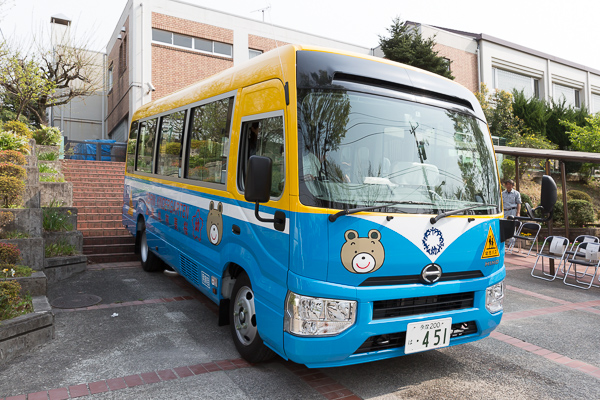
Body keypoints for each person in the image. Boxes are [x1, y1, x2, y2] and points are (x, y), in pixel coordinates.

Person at [502, 179, 521, 246]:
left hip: (512, 210)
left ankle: (511, 244)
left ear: (512, 185)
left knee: (512, 227)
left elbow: (519, 203)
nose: (508, 185)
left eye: (510, 184)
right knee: (503, 226)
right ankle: (503, 242)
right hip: (505, 211)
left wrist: (518, 213)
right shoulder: (502, 193)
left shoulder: (516, 193)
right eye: (507, 184)